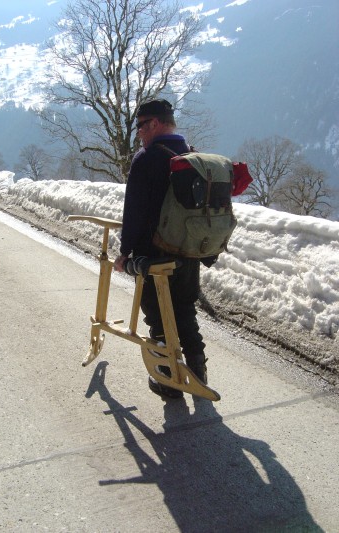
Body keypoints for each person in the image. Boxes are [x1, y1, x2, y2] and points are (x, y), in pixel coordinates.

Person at [114, 99, 208, 399]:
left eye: (141, 125)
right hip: (189, 252)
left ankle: (167, 381)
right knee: (185, 312)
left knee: (157, 316)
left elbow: (135, 211)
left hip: (153, 255)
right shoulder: (192, 155)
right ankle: (198, 376)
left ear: (154, 123)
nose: (139, 133)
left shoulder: (148, 158)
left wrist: (125, 251)